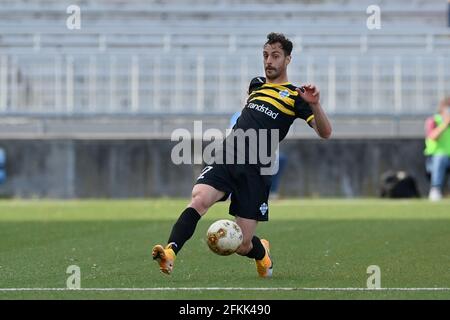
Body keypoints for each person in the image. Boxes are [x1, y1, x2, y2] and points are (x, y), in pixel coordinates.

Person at [152, 32, 332, 277]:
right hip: (228, 154)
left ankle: (261, 252)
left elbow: (325, 132)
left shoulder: (295, 96)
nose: (269, 61)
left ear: (288, 59)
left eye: (275, 56)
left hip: (257, 169)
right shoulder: (256, 84)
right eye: (266, 55)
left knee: (242, 244)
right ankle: (170, 253)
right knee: (199, 198)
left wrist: (315, 104)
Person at [424, 97, 450, 201]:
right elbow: (432, 136)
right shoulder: (433, 120)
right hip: (434, 158)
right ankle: (435, 189)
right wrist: (445, 124)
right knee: (441, 158)